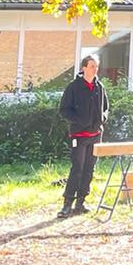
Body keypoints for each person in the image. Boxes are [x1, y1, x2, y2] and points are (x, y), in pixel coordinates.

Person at [57, 54, 108, 217]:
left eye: (97, 66)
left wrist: (102, 119)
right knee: (77, 168)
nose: (95, 69)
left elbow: (106, 107)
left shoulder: (100, 87)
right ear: (84, 68)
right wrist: (79, 121)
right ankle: (67, 204)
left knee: (89, 169)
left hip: (95, 135)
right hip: (79, 135)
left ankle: (81, 202)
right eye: (92, 66)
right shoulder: (73, 87)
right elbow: (64, 110)